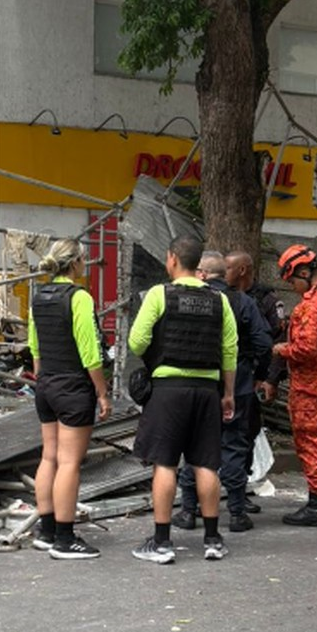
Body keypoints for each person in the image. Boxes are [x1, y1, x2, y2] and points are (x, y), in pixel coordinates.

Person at [128, 234, 237, 564]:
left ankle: (162, 542)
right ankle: (213, 540)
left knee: (165, 463)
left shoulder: (160, 294)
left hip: (168, 391)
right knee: (205, 463)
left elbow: (136, 341)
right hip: (207, 391)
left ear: (172, 259)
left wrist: (157, 354)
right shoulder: (220, 301)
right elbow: (229, 350)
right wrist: (228, 393)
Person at [27, 238, 112, 559]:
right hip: (73, 387)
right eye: (83, 259)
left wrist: (43, 379)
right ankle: (65, 538)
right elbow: (90, 352)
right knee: (69, 462)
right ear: (76, 263)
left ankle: (46, 531)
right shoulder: (79, 298)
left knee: (49, 457)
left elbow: (34, 346)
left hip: (46, 384)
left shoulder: (39, 297)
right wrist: (102, 393)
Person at [174, 251, 272, 533]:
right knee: (234, 445)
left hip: (197, 383)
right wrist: (257, 373)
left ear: (202, 274)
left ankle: (189, 510)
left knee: (194, 446)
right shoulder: (243, 301)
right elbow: (264, 342)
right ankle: (237, 513)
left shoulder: (188, 300)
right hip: (238, 384)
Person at [272, 244, 317, 527]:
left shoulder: (313, 304)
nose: (292, 287)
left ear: (303, 272)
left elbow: (306, 349)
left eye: (292, 280)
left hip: (310, 385)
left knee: (312, 442)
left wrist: (281, 349)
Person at [225, 249, 285, 514]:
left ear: (242, 270)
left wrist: (269, 379)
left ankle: (241, 489)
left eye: (228, 268)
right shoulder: (223, 297)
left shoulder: (267, 300)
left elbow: (275, 343)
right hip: (226, 378)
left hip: (249, 378)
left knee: (245, 436)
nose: (223, 273)